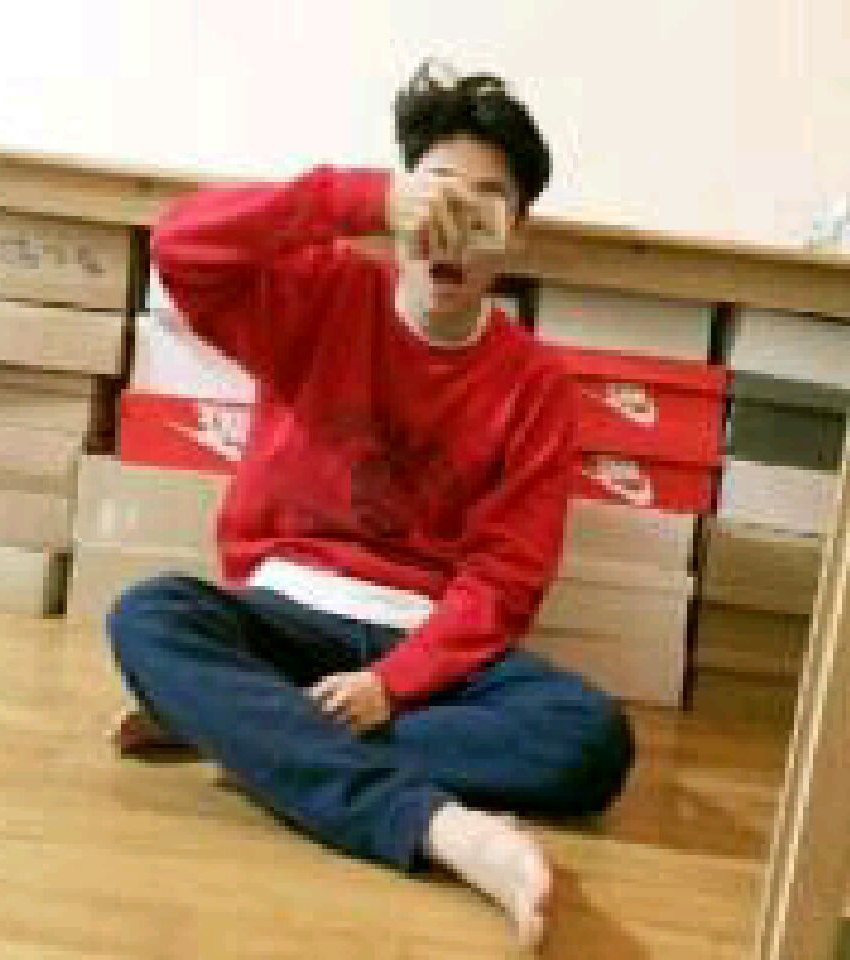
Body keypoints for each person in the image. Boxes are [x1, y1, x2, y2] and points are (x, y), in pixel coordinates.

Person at [106, 59, 636, 951]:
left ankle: (248, 732)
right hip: (284, 612)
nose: (454, 226)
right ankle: (438, 829)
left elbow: (505, 580)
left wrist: (394, 685)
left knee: (591, 740)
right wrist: (354, 200)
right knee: (148, 615)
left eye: (486, 205)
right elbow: (180, 247)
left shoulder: (534, 384)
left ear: (515, 235)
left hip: (428, 644)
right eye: (437, 192)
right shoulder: (323, 294)